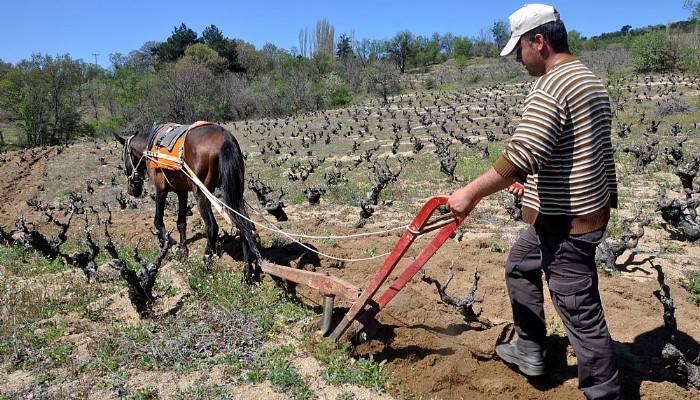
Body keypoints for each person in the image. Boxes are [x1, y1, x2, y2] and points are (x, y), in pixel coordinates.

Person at [446, 4, 621, 399]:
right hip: (574, 211)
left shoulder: (551, 86)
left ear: (538, 41)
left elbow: (522, 152)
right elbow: (581, 149)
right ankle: (530, 349)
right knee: (520, 266)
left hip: (567, 223)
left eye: (520, 50)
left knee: (580, 314)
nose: (519, 61)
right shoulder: (588, 79)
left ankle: (605, 393)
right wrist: (534, 184)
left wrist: (469, 194)